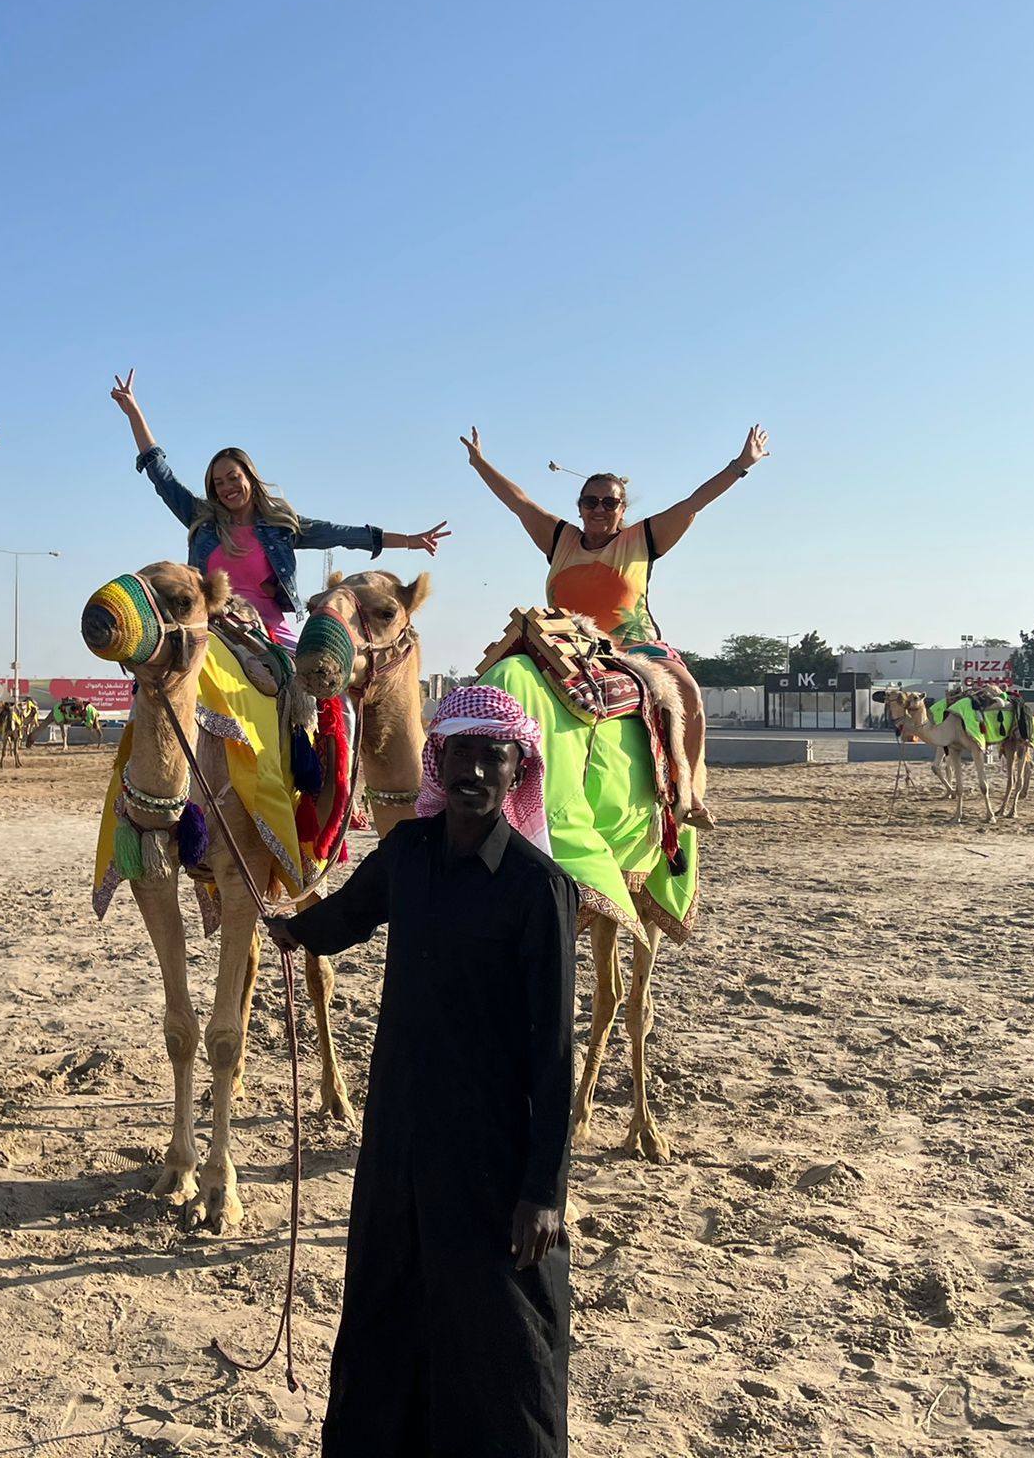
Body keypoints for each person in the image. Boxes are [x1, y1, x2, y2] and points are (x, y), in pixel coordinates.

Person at [266, 686, 578, 1457]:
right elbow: (343, 919)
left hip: (492, 1149)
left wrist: (545, 1191)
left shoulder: (539, 889)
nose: (474, 770)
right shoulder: (407, 853)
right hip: (400, 1138)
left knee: (501, 1327)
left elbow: (553, 1053)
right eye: (459, 754)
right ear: (438, 760)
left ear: (518, 770)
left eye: (492, 757)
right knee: (391, 1305)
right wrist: (289, 928)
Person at [460, 422, 771, 821]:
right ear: (579, 507)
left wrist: (741, 464)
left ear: (623, 510)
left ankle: (688, 792)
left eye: (610, 503)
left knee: (688, 694)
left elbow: (693, 503)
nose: (599, 509)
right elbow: (517, 501)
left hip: (634, 647)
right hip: (567, 645)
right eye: (591, 501)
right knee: (501, 678)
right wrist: (479, 463)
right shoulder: (560, 539)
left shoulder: (642, 538)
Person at [110, 370, 449, 647]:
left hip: (266, 627)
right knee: (157, 677)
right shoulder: (202, 519)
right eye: (218, 483)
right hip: (208, 624)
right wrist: (134, 412)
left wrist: (409, 541)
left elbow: (342, 534)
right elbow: (162, 476)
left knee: (315, 691)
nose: (227, 487)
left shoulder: (281, 526)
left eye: (233, 478)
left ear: (250, 478)